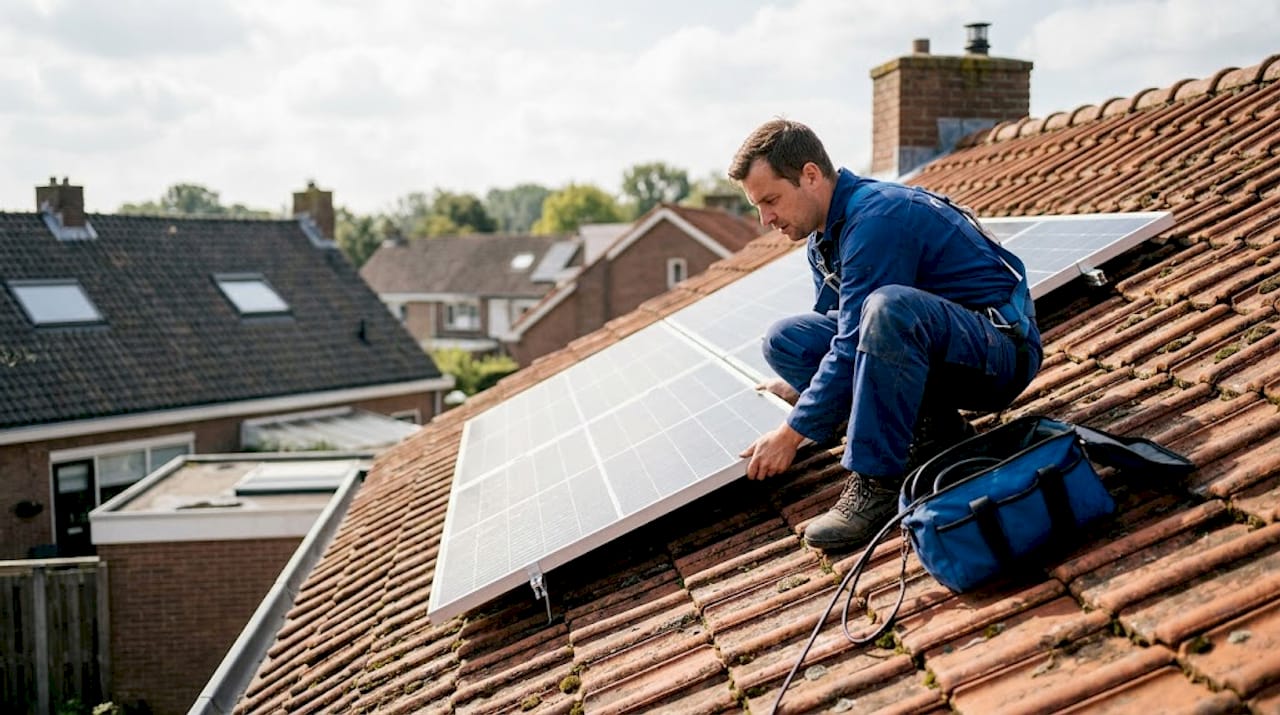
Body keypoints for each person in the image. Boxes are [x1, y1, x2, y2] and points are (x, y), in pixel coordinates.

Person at [731, 119, 1043, 551]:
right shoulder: (824, 238)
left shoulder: (877, 217)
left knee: (889, 308)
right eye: (757, 206)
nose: (765, 219)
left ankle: (877, 478)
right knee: (787, 339)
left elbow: (860, 334)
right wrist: (799, 390)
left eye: (771, 200)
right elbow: (841, 333)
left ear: (810, 175)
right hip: (936, 349)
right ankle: (929, 429)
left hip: (998, 352)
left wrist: (791, 433)